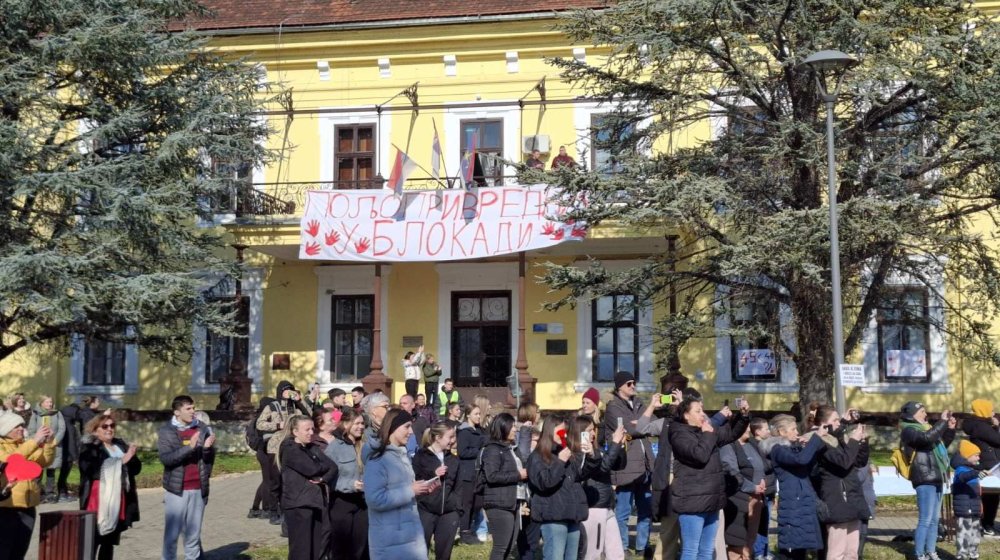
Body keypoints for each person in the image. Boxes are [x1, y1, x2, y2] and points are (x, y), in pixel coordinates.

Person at [669, 395, 749, 560]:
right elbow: (700, 455)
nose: (702, 414)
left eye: (702, 410)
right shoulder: (678, 434)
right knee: (691, 550)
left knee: (707, 550)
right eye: (698, 411)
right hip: (692, 502)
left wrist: (743, 416)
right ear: (686, 415)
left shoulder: (705, 430)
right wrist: (707, 434)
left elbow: (730, 433)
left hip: (712, 500)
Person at [364, 408, 440, 560]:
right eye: (407, 427)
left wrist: (422, 489)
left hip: (410, 536)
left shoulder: (402, 455)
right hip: (390, 541)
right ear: (393, 427)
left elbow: (404, 492)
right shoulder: (377, 460)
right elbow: (374, 499)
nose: (411, 432)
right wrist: (410, 491)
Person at [759, 414, 827, 560]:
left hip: (803, 502)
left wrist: (804, 447)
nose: (797, 432)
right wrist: (815, 438)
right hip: (793, 504)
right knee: (792, 547)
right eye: (793, 429)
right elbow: (800, 461)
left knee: (801, 547)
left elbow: (809, 468)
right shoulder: (777, 449)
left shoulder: (791, 448)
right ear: (781, 432)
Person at [603, 371, 655, 556]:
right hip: (625, 466)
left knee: (645, 510)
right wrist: (640, 424)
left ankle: (642, 547)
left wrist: (639, 424)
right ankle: (622, 547)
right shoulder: (613, 408)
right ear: (619, 387)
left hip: (645, 465)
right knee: (623, 511)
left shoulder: (639, 404)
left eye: (634, 382)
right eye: (629, 383)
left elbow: (653, 425)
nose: (633, 386)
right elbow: (633, 429)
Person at [157, 396, 215, 560]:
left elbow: (208, 461)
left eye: (193, 408)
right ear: (177, 412)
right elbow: (166, 459)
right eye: (188, 409)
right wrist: (189, 447)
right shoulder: (167, 431)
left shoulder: (202, 428)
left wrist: (207, 449)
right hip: (177, 490)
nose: (192, 411)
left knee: (193, 537)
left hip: (198, 489)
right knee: (171, 537)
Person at [527, 414, 590, 560]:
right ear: (550, 431)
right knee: (555, 556)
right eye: (561, 431)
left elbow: (581, 475)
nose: (564, 435)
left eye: (565, 432)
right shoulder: (538, 456)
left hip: (571, 514)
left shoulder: (566, 453)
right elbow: (544, 483)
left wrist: (589, 455)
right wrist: (560, 462)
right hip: (553, 515)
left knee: (571, 556)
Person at [809, 406, 869, 560]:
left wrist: (862, 441)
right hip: (837, 499)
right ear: (824, 423)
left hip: (852, 497)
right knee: (837, 551)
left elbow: (859, 462)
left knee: (852, 552)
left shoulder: (837, 439)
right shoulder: (820, 442)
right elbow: (843, 461)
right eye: (835, 420)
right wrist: (853, 440)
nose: (839, 423)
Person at [79, 414, 140, 560]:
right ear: (95, 430)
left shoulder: (120, 445)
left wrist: (131, 458)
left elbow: (136, 469)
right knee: (93, 539)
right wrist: (121, 462)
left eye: (112, 425)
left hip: (119, 498)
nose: (109, 429)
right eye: (105, 426)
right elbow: (89, 470)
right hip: (99, 499)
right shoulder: (90, 447)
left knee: (109, 541)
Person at [900, 401, 956, 560]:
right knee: (925, 519)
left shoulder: (927, 428)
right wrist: (942, 421)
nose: (926, 414)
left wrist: (949, 428)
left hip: (937, 476)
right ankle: (919, 554)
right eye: (922, 411)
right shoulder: (909, 430)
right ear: (912, 415)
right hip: (923, 477)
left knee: (934, 520)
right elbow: (926, 439)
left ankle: (931, 551)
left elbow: (940, 444)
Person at [279, 415, 337, 560]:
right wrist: (321, 466)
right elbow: (311, 469)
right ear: (295, 431)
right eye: (307, 429)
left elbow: (333, 467)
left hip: (315, 502)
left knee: (317, 546)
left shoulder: (311, 447)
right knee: (301, 549)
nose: (311, 432)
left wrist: (323, 478)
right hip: (298, 504)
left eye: (312, 429)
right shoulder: (290, 449)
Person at [0, 409, 55, 560]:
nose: (21, 429)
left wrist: (49, 443)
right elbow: (11, 461)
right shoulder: (2, 445)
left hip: (28, 507)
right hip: (6, 507)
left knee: (19, 551)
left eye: (22, 426)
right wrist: (34, 441)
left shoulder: (25, 444)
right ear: (6, 428)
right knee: (3, 551)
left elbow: (44, 461)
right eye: (17, 426)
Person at [257, 380, 311, 525]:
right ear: (280, 392)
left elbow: (309, 416)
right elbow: (259, 424)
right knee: (275, 481)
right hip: (275, 447)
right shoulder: (272, 406)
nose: (289, 392)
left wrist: (300, 401)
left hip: (293, 446)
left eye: (291, 389)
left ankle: (286, 510)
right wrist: (277, 425)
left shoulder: (296, 407)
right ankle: (273, 511)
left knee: (289, 480)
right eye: (286, 390)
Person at [578, 414, 627, 560]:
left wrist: (620, 446)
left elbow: (618, 465)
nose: (593, 433)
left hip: (607, 504)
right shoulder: (581, 453)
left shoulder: (596, 449)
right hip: (594, 507)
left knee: (616, 553)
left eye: (593, 430)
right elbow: (603, 467)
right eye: (589, 430)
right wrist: (615, 443)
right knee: (593, 553)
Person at [482, 413, 528, 560]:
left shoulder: (511, 449)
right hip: (499, 504)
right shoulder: (493, 449)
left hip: (513, 501)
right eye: (512, 426)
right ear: (502, 428)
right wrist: (518, 475)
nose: (515, 429)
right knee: (501, 547)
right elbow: (492, 476)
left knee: (509, 547)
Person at [325, 408, 369, 560]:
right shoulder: (334, 448)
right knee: (341, 549)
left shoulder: (365, 445)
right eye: (356, 423)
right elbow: (329, 478)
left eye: (362, 423)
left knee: (361, 546)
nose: (360, 427)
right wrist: (351, 484)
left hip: (362, 503)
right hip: (342, 503)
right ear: (345, 424)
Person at [720, 422, 768, 560]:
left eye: (748, 426)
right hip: (739, 498)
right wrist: (752, 487)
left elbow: (762, 465)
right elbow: (732, 472)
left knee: (750, 539)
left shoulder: (752, 444)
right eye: (745, 426)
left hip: (756, 497)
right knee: (737, 541)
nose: (748, 429)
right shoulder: (728, 446)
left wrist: (762, 480)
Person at [413, 421, 461, 560]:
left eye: (454, 437)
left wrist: (457, 509)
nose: (453, 441)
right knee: (421, 553)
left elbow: (459, 487)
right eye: (450, 437)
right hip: (426, 511)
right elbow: (415, 480)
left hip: (449, 513)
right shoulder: (421, 456)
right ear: (438, 438)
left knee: (444, 555)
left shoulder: (453, 459)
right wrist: (433, 474)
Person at [962, 398, 1000, 536]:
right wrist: (997, 426)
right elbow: (997, 440)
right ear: (983, 411)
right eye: (991, 410)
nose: (993, 413)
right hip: (988, 465)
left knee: (991, 497)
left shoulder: (981, 424)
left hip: (989, 464)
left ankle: (987, 524)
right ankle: (986, 525)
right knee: (990, 498)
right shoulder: (981, 426)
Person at [457, 404, 488, 544]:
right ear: (468, 415)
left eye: (479, 414)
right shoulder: (464, 432)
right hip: (467, 472)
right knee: (467, 504)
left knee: (477, 503)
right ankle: (465, 532)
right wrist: (480, 451)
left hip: (478, 473)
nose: (479, 416)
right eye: (476, 414)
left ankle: (469, 529)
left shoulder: (480, 430)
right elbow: (462, 452)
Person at [746, 418, 776, 560]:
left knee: (765, 523)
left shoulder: (766, 444)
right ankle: (758, 552)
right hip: (760, 489)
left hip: (769, 489)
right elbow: (765, 465)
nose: (769, 431)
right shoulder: (754, 446)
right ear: (757, 431)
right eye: (766, 429)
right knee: (758, 523)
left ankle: (765, 550)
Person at [514, 404, 542, 560]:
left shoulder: (530, 431)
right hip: (524, 492)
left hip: (534, 493)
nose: (539, 414)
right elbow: (524, 457)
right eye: (537, 412)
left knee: (531, 538)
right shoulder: (521, 433)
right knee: (526, 537)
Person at [27, 395, 66, 503]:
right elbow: (31, 430)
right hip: (39, 446)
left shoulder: (57, 413)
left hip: (53, 445)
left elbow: (62, 429)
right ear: (42, 403)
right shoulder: (36, 414)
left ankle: (50, 494)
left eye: (51, 402)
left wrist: (55, 441)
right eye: (47, 402)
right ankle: (37, 493)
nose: (50, 404)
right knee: (37, 471)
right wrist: (37, 440)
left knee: (51, 471)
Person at [952, 440, 984, 560]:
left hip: (974, 509)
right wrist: (975, 473)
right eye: (976, 455)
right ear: (967, 456)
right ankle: (962, 555)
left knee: (975, 533)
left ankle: (973, 554)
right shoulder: (960, 470)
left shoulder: (971, 470)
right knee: (964, 534)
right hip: (964, 509)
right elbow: (963, 477)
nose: (978, 458)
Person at [360, 392, 391, 461]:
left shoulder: (392, 426)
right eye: (385, 407)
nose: (389, 409)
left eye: (389, 406)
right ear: (374, 410)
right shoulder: (363, 432)